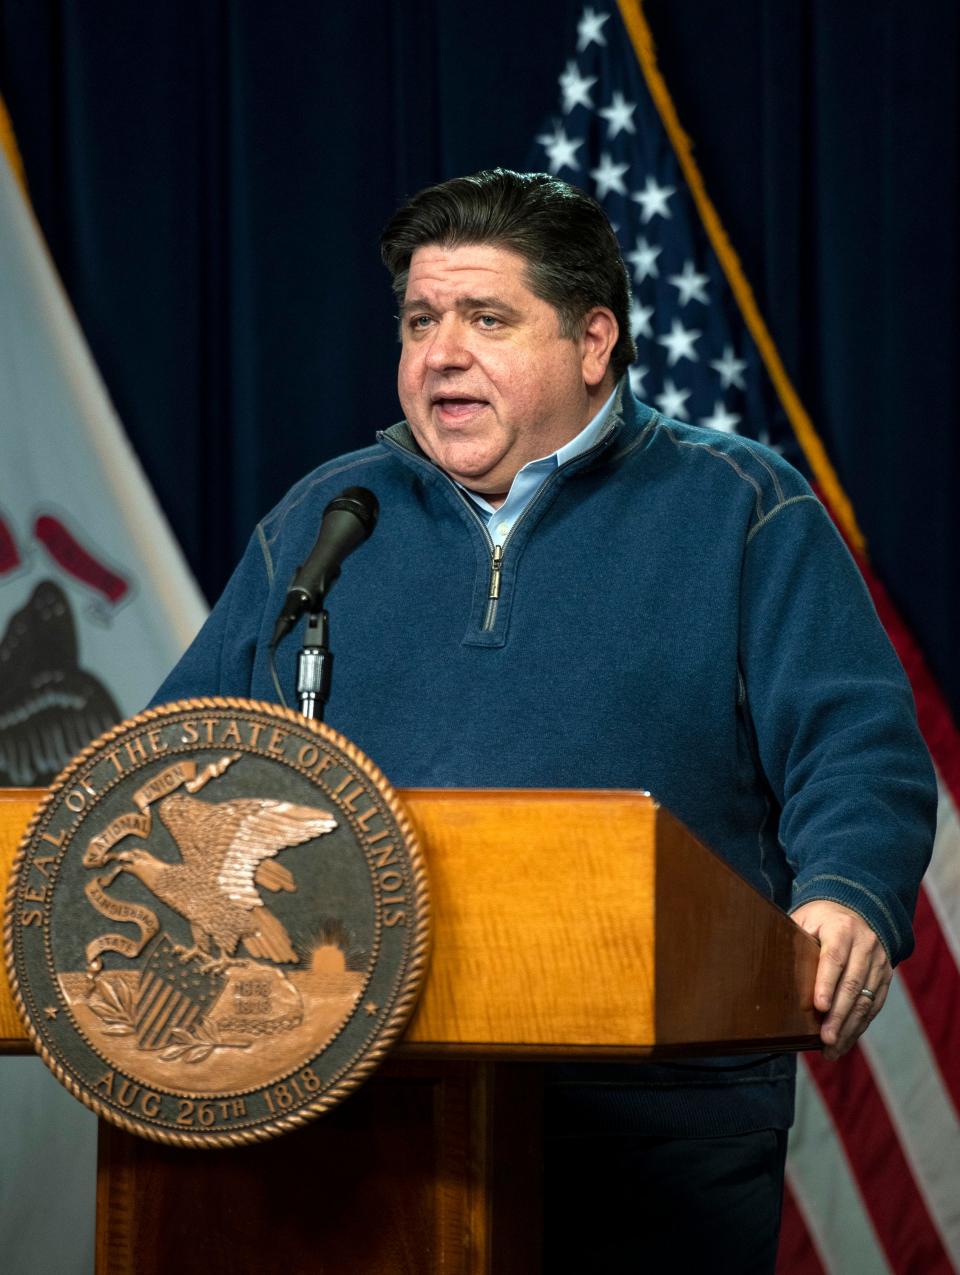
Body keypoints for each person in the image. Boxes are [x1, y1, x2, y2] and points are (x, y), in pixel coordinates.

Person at [153, 169, 936, 1271]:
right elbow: (174, 760)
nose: (441, 351)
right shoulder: (334, 517)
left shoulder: (740, 507)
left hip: (659, 1126)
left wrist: (846, 894)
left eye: (487, 317)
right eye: (421, 319)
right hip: (364, 1118)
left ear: (592, 341)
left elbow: (858, 750)